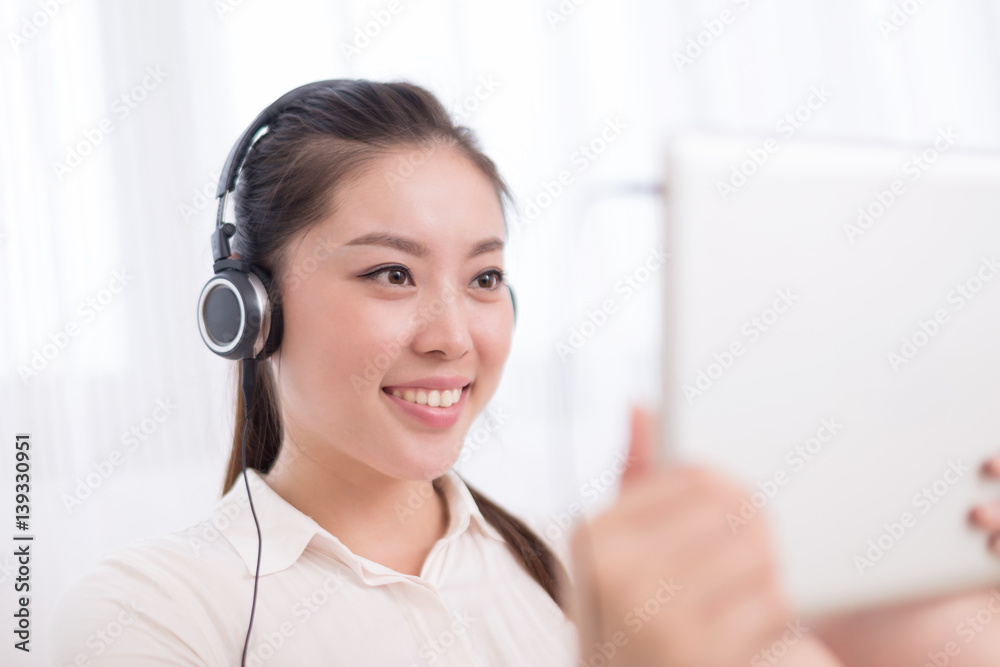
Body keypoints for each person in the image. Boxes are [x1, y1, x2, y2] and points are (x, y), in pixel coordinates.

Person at [49, 79, 1000, 667]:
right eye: (391, 273)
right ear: (249, 311)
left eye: (486, 277)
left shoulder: (593, 573)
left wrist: (952, 607)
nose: (454, 334)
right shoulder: (154, 612)